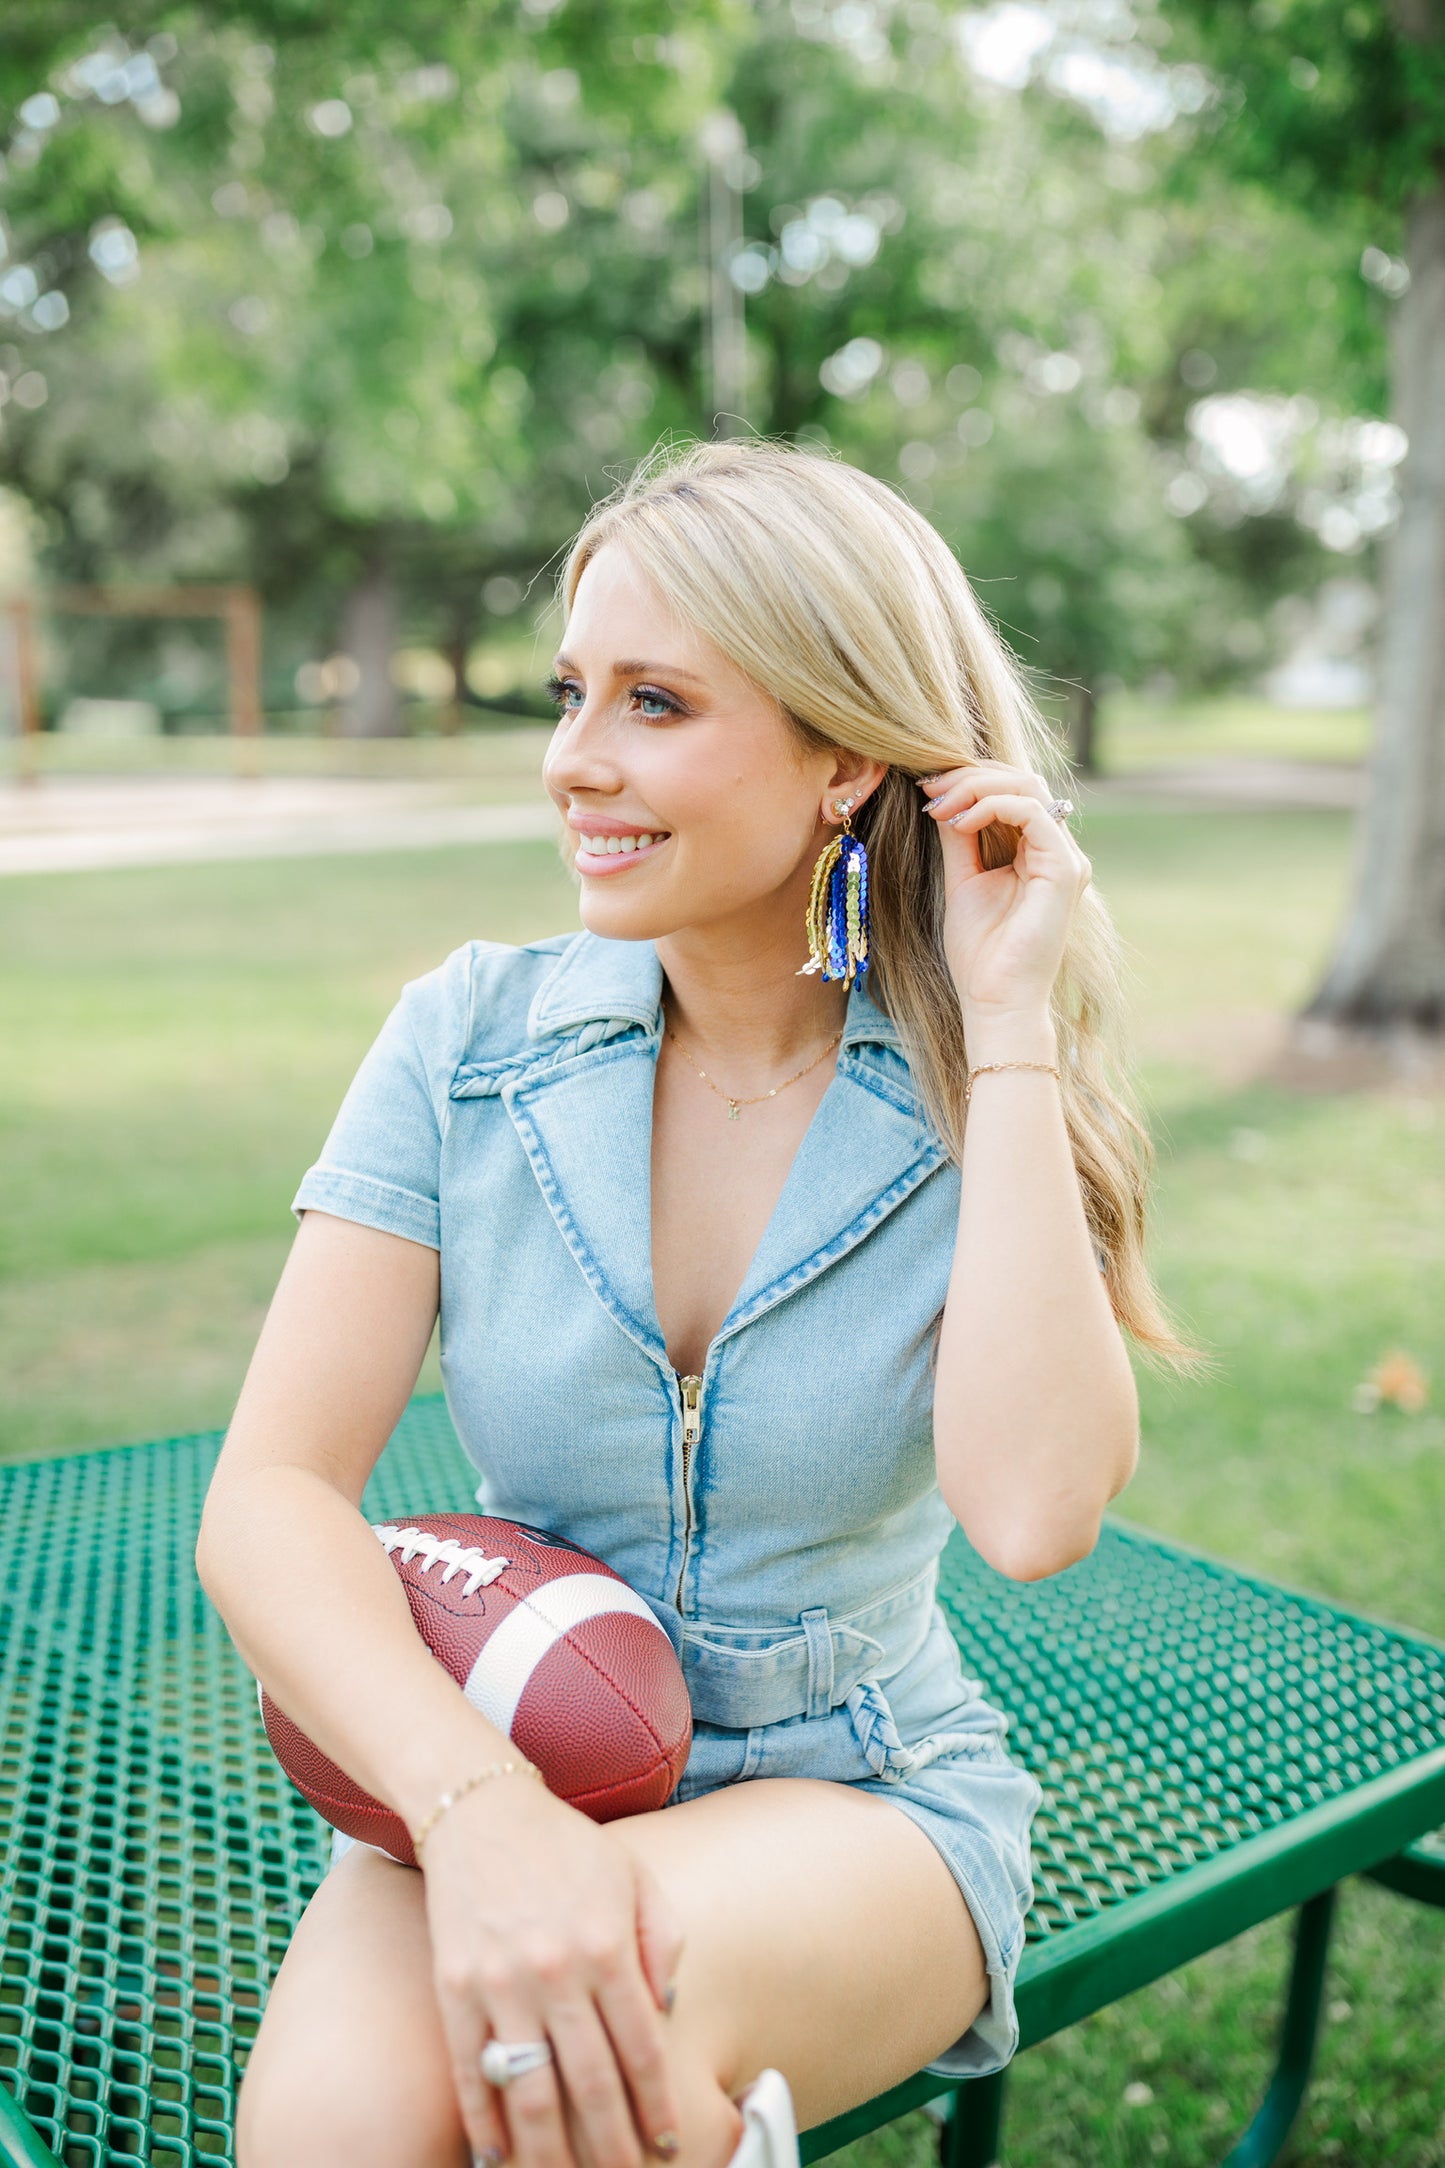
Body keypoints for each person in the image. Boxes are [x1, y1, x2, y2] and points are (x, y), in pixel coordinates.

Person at [197, 436, 1202, 2168]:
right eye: (572, 692)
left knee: (581, 2051)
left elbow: (1035, 1510)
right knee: (332, 2141)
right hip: (503, 1740)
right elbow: (270, 1496)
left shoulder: (983, 1088)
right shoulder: (467, 1042)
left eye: (655, 703)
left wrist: (1015, 1019)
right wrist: (480, 1807)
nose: (574, 762)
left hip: (855, 1790)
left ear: (842, 759)